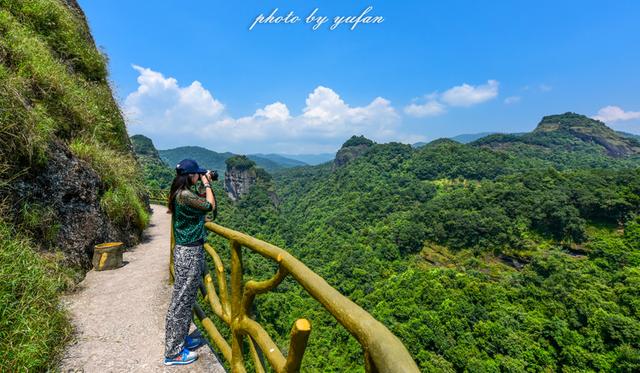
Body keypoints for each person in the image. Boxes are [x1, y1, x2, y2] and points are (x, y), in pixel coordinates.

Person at [163, 159, 217, 366]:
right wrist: (208, 183)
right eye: (197, 174)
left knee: (185, 299)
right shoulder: (185, 195)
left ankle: (181, 339)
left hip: (186, 251)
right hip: (189, 253)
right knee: (181, 301)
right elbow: (209, 206)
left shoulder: (182, 194)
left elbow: (199, 205)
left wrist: (203, 181)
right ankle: (173, 353)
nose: (200, 176)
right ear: (191, 176)